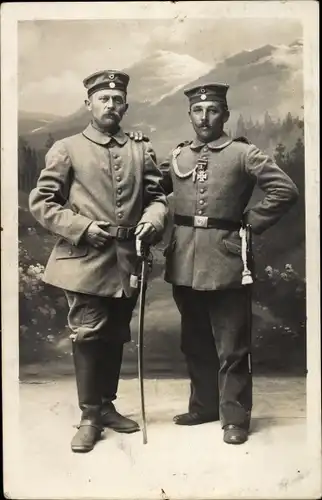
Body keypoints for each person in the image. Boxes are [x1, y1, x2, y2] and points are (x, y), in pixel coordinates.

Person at [29, 70, 168, 453]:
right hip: (85, 259)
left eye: (117, 99)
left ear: (125, 105)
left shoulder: (142, 149)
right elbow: (42, 202)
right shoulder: (67, 148)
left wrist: (153, 219)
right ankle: (89, 416)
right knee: (89, 334)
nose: (110, 105)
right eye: (103, 99)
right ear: (89, 103)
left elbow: (157, 198)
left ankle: (106, 406)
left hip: (128, 260)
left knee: (114, 334)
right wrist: (82, 226)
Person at [159, 83, 299, 445]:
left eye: (213, 110)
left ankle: (234, 416)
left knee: (232, 345)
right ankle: (204, 405)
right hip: (184, 260)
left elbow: (285, 190)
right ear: (189, 115)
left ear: (225, 114)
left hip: (226, 260)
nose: (205, 118)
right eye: (198, 111)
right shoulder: (178, 156)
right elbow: (150, 189)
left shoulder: (243, 154)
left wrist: (250, 221)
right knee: (194, 341)